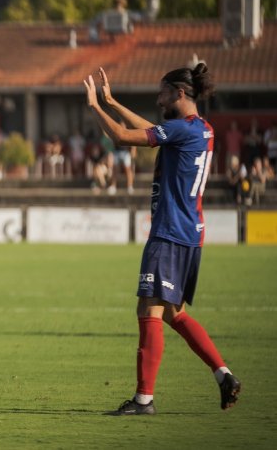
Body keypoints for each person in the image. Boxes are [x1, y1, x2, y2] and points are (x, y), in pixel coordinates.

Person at [84, 65, 241, 415]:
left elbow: (124, 138)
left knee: (149, 308)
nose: (159, 99)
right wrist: (113, 102)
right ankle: (223, 375)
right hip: (190, 234)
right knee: (173, 312)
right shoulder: (201, 129)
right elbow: (154, 131)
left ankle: (144, 400)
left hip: (169, 232)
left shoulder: (182, 131)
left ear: (179, 94)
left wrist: (95, 107)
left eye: (162, 92)